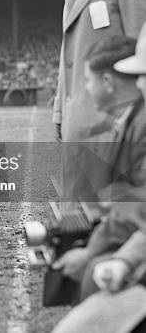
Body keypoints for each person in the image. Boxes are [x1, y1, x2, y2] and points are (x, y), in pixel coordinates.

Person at [52, 0, 146, 201]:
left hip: (112, 124)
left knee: (110, 213)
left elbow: (141, 50)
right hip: (77, 119)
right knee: (77, 214)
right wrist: (58, 111)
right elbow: (68, 52)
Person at [52, 35, 146, 291]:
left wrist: (92, 250)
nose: (139, 84)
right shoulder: (128, 122)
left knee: (93, 271)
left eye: (88, 80)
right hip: (131, 233)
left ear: (107, 82)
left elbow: (138, 207)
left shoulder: (141, 123)